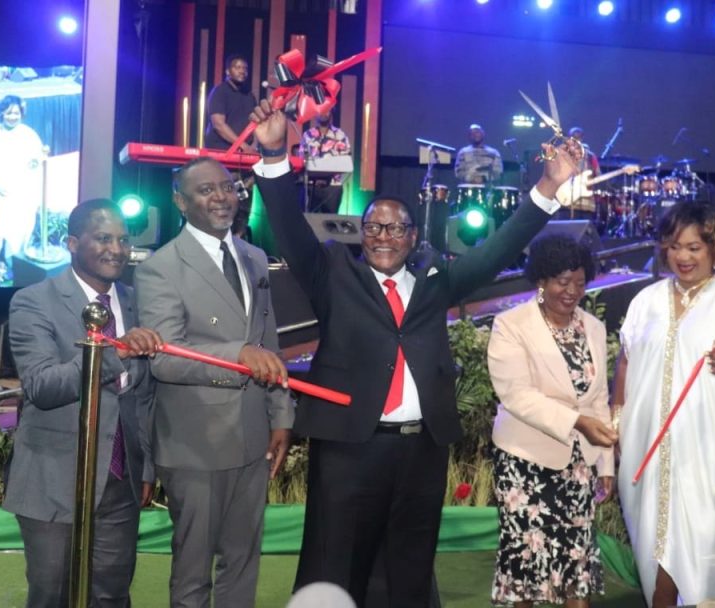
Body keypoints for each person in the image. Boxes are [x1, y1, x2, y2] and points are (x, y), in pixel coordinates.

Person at [249, 98, 582, 606]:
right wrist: (274, 155)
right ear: (363, 234)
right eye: (375, 227)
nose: (385, 237)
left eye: (396, 228)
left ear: (412, 236)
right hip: (347, 447)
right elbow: (288, 230)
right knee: (333, 561)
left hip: (419, 451)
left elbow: (498, 249)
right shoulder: (333, 276)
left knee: (408, 566)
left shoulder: (435, 283)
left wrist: (549, 187)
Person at [133, 157, 294, 608]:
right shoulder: (160, 267)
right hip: (195, 442)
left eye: (227, 187)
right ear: (181, 202)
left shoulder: (255, 256)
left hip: (253, 435)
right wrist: (238, 356)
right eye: (206, 191)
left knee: (243, 563)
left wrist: (281, 415)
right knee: (193, 567)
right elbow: (166, 358)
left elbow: (269, 340)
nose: (221, 197)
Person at [612, 200, 715, 607]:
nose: (682, 257)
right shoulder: (645, 302)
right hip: (645, 449)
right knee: (652, 547)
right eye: (674, 246)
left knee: (700, 549)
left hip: (707, 454)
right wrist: (616, 424)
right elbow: (626, 360)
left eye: (694, 248)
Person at [4, 199, 162, 607]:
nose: (117, 249)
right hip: (55, 479)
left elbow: (144, 395)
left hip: (120, 481)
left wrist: (145, 465)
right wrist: (115, 353)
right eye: (103, 238)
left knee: (110, 595)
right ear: (72, 243)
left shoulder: (136, 300)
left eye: (124, 240)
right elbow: (42, 385)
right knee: (52, 594)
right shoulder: (34, 300)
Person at [486, 233, 617, 607]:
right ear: (540, 280)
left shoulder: (592, 326)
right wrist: (577, 422)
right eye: (562, 281)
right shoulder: (511, 325)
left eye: (579, 282)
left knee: (576, 563)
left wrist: (604, 461)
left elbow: (599, 400)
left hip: (578, 466)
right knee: (525, 566)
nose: (572, 290)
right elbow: (517, 396)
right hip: (524, 461)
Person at [0, 94, 44, 284]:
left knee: (21, 228)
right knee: (1, 229)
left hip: (23, 190)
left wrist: (35, 163)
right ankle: (1, 265)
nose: (13, 116)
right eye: (9, 113)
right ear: (1, 113)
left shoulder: (29, 134)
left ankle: (19, 265)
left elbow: (38, 161)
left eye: (16, 113)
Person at [300, 111, 351, 213]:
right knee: (309, 220)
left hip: (332, 186)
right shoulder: (308, 135)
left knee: (330, 222)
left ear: (331, 113)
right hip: (311, 186)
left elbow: (346, 160)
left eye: (326, 110)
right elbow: (302, 159)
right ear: (315, 114)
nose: (324, 113)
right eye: (321, 111)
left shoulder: (340, 135)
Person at [203, 54, 257, 151]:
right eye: (238, 67)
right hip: (219, 149)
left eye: (245, 68)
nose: (242, 71)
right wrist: (242, 145)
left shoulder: (249, 96)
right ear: (228, 71)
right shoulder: (220, 91)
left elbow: (254, 123)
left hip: (242, 151)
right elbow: (218, 124)